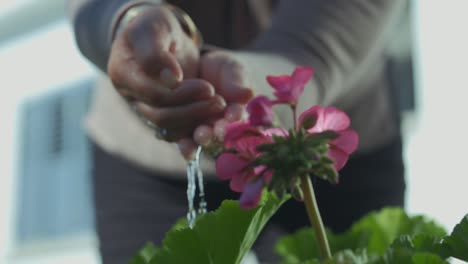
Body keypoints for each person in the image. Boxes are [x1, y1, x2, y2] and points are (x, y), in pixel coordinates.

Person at [68, 0, 408, 263]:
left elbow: (313, 49)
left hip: (325, 136)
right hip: (148, 162)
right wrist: (127, 20)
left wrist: (241, 94)